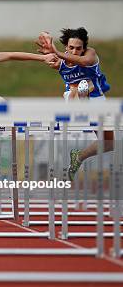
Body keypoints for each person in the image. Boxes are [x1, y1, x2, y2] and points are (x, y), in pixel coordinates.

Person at [36, 27, 113, 180]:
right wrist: (47, 45)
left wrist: (56, 52)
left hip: (97, 100)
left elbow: (86, 61)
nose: (74, 51)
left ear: (84, 48)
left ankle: (78, 157)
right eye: (71, 48)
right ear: (66, 47)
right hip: (72, 98)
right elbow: (49, 59)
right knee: (81, 85)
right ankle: (81, 104)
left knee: (109, 143)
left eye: (78, 48)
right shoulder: (60, 61)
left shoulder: (90, 54)